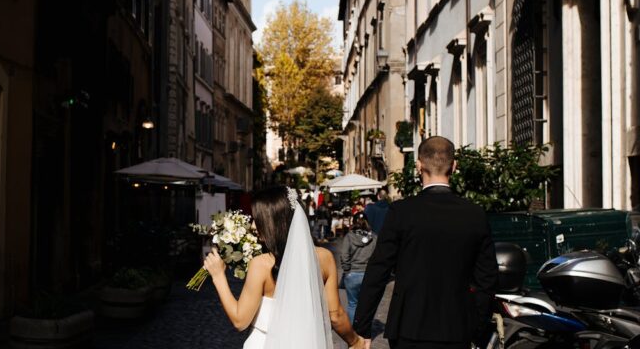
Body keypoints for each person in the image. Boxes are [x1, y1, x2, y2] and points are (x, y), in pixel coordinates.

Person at [352, 136, 498, 349]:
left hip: (409, 327)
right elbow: (487, 278)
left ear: (418, 166)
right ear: (454, 166)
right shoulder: (474, 214)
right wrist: (478, 324)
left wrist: (362, 327)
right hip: (456, 328)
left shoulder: (401, 212)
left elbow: (378, 270)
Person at [203, 186, 365, 349]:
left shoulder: (261, 264)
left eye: (258, 219)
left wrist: (218, 276)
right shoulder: (324, 258)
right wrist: (355, 341)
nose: (253, 226)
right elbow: (335, 315)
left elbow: (240, 320)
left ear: (273, 223)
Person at [340, 212, 377, 320]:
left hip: (352, 274)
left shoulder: (349, 237)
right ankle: (364, 331)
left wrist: (347, 270)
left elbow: (344, 255)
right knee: (367, 305)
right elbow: (377, 256)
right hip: (368, 274)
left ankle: (353, 332)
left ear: (353, 222)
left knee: (352, 304)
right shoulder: (374, 237)